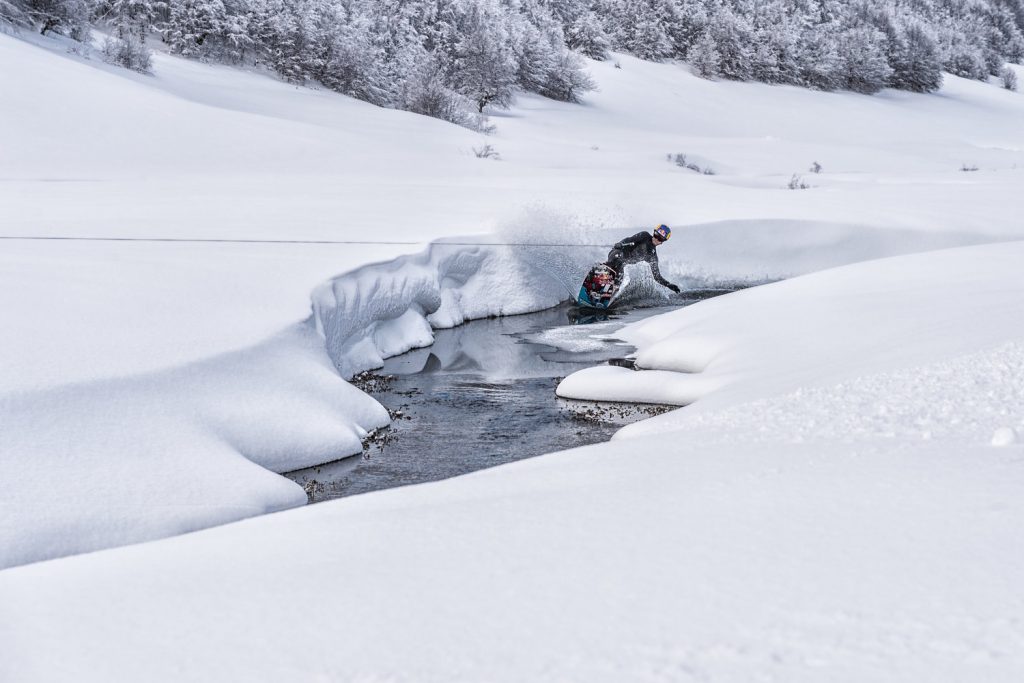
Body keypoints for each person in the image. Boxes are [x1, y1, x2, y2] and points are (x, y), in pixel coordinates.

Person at [604, 224, 680, 294]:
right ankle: (603, 269)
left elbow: (657, 277)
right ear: (654, 233)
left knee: (619, 275)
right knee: (617, 258)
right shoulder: (644, 235)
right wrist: (620, 243)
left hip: (621, 265)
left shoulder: (652, 256)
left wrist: (668, 285)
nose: (656, 239)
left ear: (662, 242)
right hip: (616, 253)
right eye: (656, 235)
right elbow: (629, 239)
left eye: (660, 238)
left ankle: (609, 292)